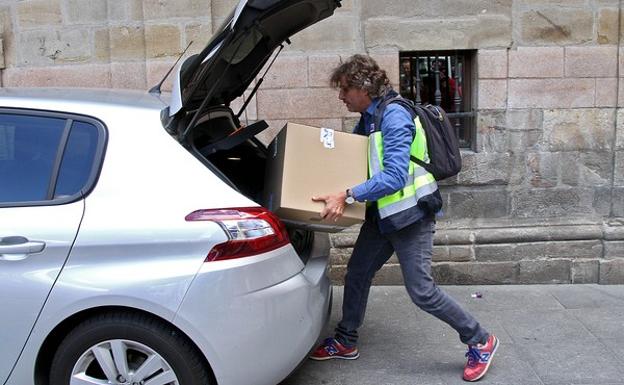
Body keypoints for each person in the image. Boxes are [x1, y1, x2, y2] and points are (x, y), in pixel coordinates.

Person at [309, 54, 498, 382]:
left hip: (411, 217)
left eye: (344, 90)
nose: (340, 97)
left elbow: (395, 177)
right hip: (383, 216)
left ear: (363, 87)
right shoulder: (369, 118)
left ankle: (480, 339)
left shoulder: (393, 116)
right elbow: (354, 158)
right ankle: (346, 339)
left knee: (422, 291)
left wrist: (348, 194)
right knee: (357, 273)